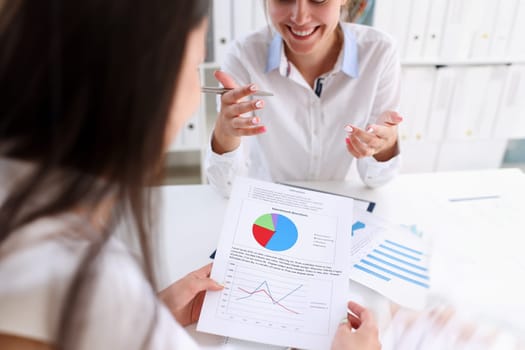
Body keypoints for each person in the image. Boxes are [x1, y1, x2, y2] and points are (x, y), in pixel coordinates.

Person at [0, 0, 379, 349]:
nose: (299, 15)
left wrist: (152, 313)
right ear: (153, 78)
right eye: (196, 61)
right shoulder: (93, 289)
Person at [205, 0, 403, 196]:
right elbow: (226, 187)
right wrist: (226, 133)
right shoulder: (243, 55)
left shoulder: (379, 52)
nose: (300, 17)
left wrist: (385, 145)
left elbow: (377, 180)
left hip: (341, 202)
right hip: (270, 204)